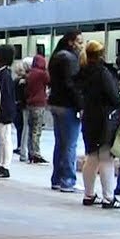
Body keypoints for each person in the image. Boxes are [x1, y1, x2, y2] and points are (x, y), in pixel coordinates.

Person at [77, 41, 120, 208]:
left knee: (91, 157)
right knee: (106, 158)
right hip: (105, 118)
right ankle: (108, 197)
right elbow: (113, 95)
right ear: (102, 54)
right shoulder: (103, 72)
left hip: (89, 117)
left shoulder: (83, 71)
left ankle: (88, 194)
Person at [48, 31, 84, 193]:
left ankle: (57, 178)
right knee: (70, 144)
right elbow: (72, 85)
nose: (81, 45)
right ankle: (68, 179)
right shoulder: (70, 59)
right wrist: (81, 104)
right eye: (79, 41)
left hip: (56, 103)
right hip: (68, 105)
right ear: (71, 42)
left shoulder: (56, 56)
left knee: (60, 142)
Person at [0, 45, 18, 179]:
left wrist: (2, 112)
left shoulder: (4, 75)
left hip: (2, 114)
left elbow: (4, 96)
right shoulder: (0, 73)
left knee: (4, 140)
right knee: (1, 140)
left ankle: (4, 165)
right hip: (0, 113)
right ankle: (1, 164)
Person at [23, 53, 49, 164]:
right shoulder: (42, 74)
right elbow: (49, 81)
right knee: (37, 130)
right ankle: (36, 153)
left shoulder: (29, 74)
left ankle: (30, 152)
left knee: (30, 129)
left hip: (30, 104)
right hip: (39, 103)